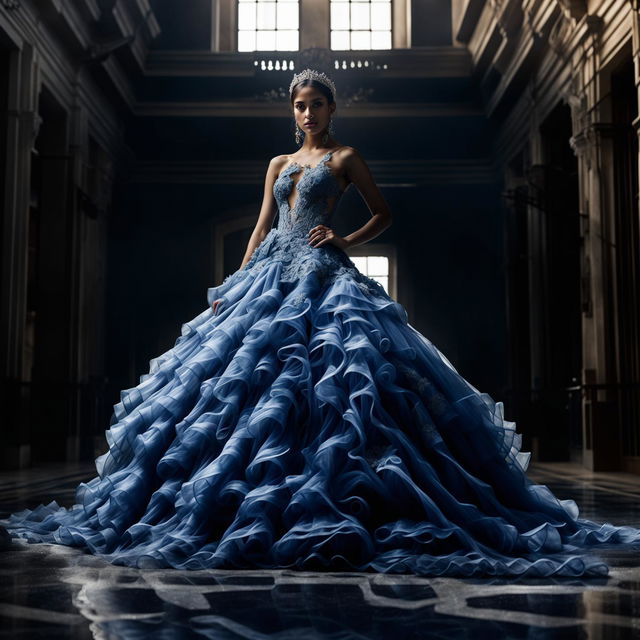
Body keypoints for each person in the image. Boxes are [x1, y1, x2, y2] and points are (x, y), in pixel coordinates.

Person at [3, 69, 639, 577]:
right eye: (300, 105)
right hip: (268, 276)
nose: (307, 113)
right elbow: (258, 227)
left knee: (338, 381)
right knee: (244, 385)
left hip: (324, 273)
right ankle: (245, 496)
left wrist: (344, 237)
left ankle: (337, 494)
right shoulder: (279, 164)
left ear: (332, 110)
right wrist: (233, 282)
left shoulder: (345, 159)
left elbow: (384, 214)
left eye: (316, 104)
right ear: (293, 111)